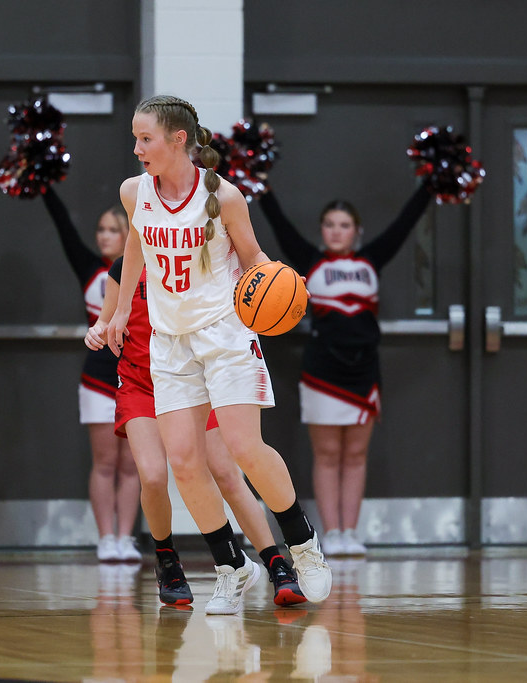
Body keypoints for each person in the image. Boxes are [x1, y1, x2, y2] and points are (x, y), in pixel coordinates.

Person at [106, 95, 332, 606]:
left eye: (146, 139)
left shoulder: (224, 196)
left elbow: (252, 257)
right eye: (136, 139)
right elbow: (136, 246)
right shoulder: (133, 192)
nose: (138, 148)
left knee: (243, 448)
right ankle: (233, 567)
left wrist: (283, 285)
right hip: (170, 342)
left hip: (224, 334)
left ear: (178, 140)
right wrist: (121, 311)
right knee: (184, 462)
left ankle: (303, 543)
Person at [87, 256, 307, 611]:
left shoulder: (194, 256)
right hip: (141, 382)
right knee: (154, 476)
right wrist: (98, 329)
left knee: (226, 472)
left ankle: (275, 563)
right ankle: (168, 561)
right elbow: (106, 319)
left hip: (191, 378)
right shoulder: (123, 267)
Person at [258, 183, 431, 556]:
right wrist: (263, 187)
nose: (337, 231)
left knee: (355, 455)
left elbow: (405, 224)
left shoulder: (371, 260)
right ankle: (331, 532)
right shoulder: (310, 261)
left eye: (344, 224)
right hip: (322, 370)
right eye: (330, 224)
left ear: (357, 230)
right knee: (326, 454)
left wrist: (429, 185)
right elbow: (280, 225)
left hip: (364, 370)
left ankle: (350, 532)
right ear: (322, 230)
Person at [41, 189, 141, 562]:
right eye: (100, 229)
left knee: (132, 464)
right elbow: (65, 229)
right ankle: (105, 538)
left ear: (130, 233)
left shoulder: (146, 268)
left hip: (136, 375)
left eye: (113, 230)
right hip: (98, 378)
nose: (103, 236)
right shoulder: (90, 268)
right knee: (105, 461)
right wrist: (48, 187)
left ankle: (126, 537)